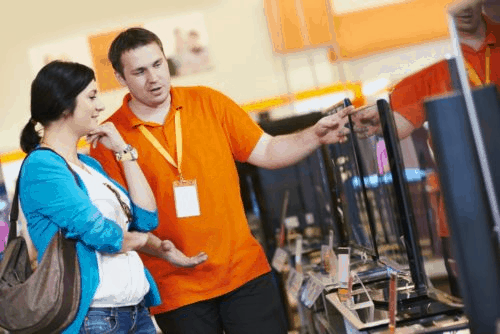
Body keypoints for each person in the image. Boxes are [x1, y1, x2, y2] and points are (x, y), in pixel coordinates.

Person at [90, 27, 352, 334]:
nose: (154, 78)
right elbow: (120, 227)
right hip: (177, 290)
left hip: (243, 272)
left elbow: (267, 150)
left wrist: (313, 136)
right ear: (121, 78)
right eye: (139, 71)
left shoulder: (209, 103)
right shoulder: (109, 139)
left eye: (158, 64)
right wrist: (161, 250)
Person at [18, 60, 208, 334]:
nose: (100, 106)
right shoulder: (42, 167)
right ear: (63, 104)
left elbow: (144, 218)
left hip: (134, 311)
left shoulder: (89, 166)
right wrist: (145, 242)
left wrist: (123, 150)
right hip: (93, 318)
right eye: (92, 97)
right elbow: (102, 234)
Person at [351, 1, 500, 297]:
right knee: (481, 308)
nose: (463, 7)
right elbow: (397, 122)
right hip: (467, 217)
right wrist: (374, 121)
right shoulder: (435, 75)